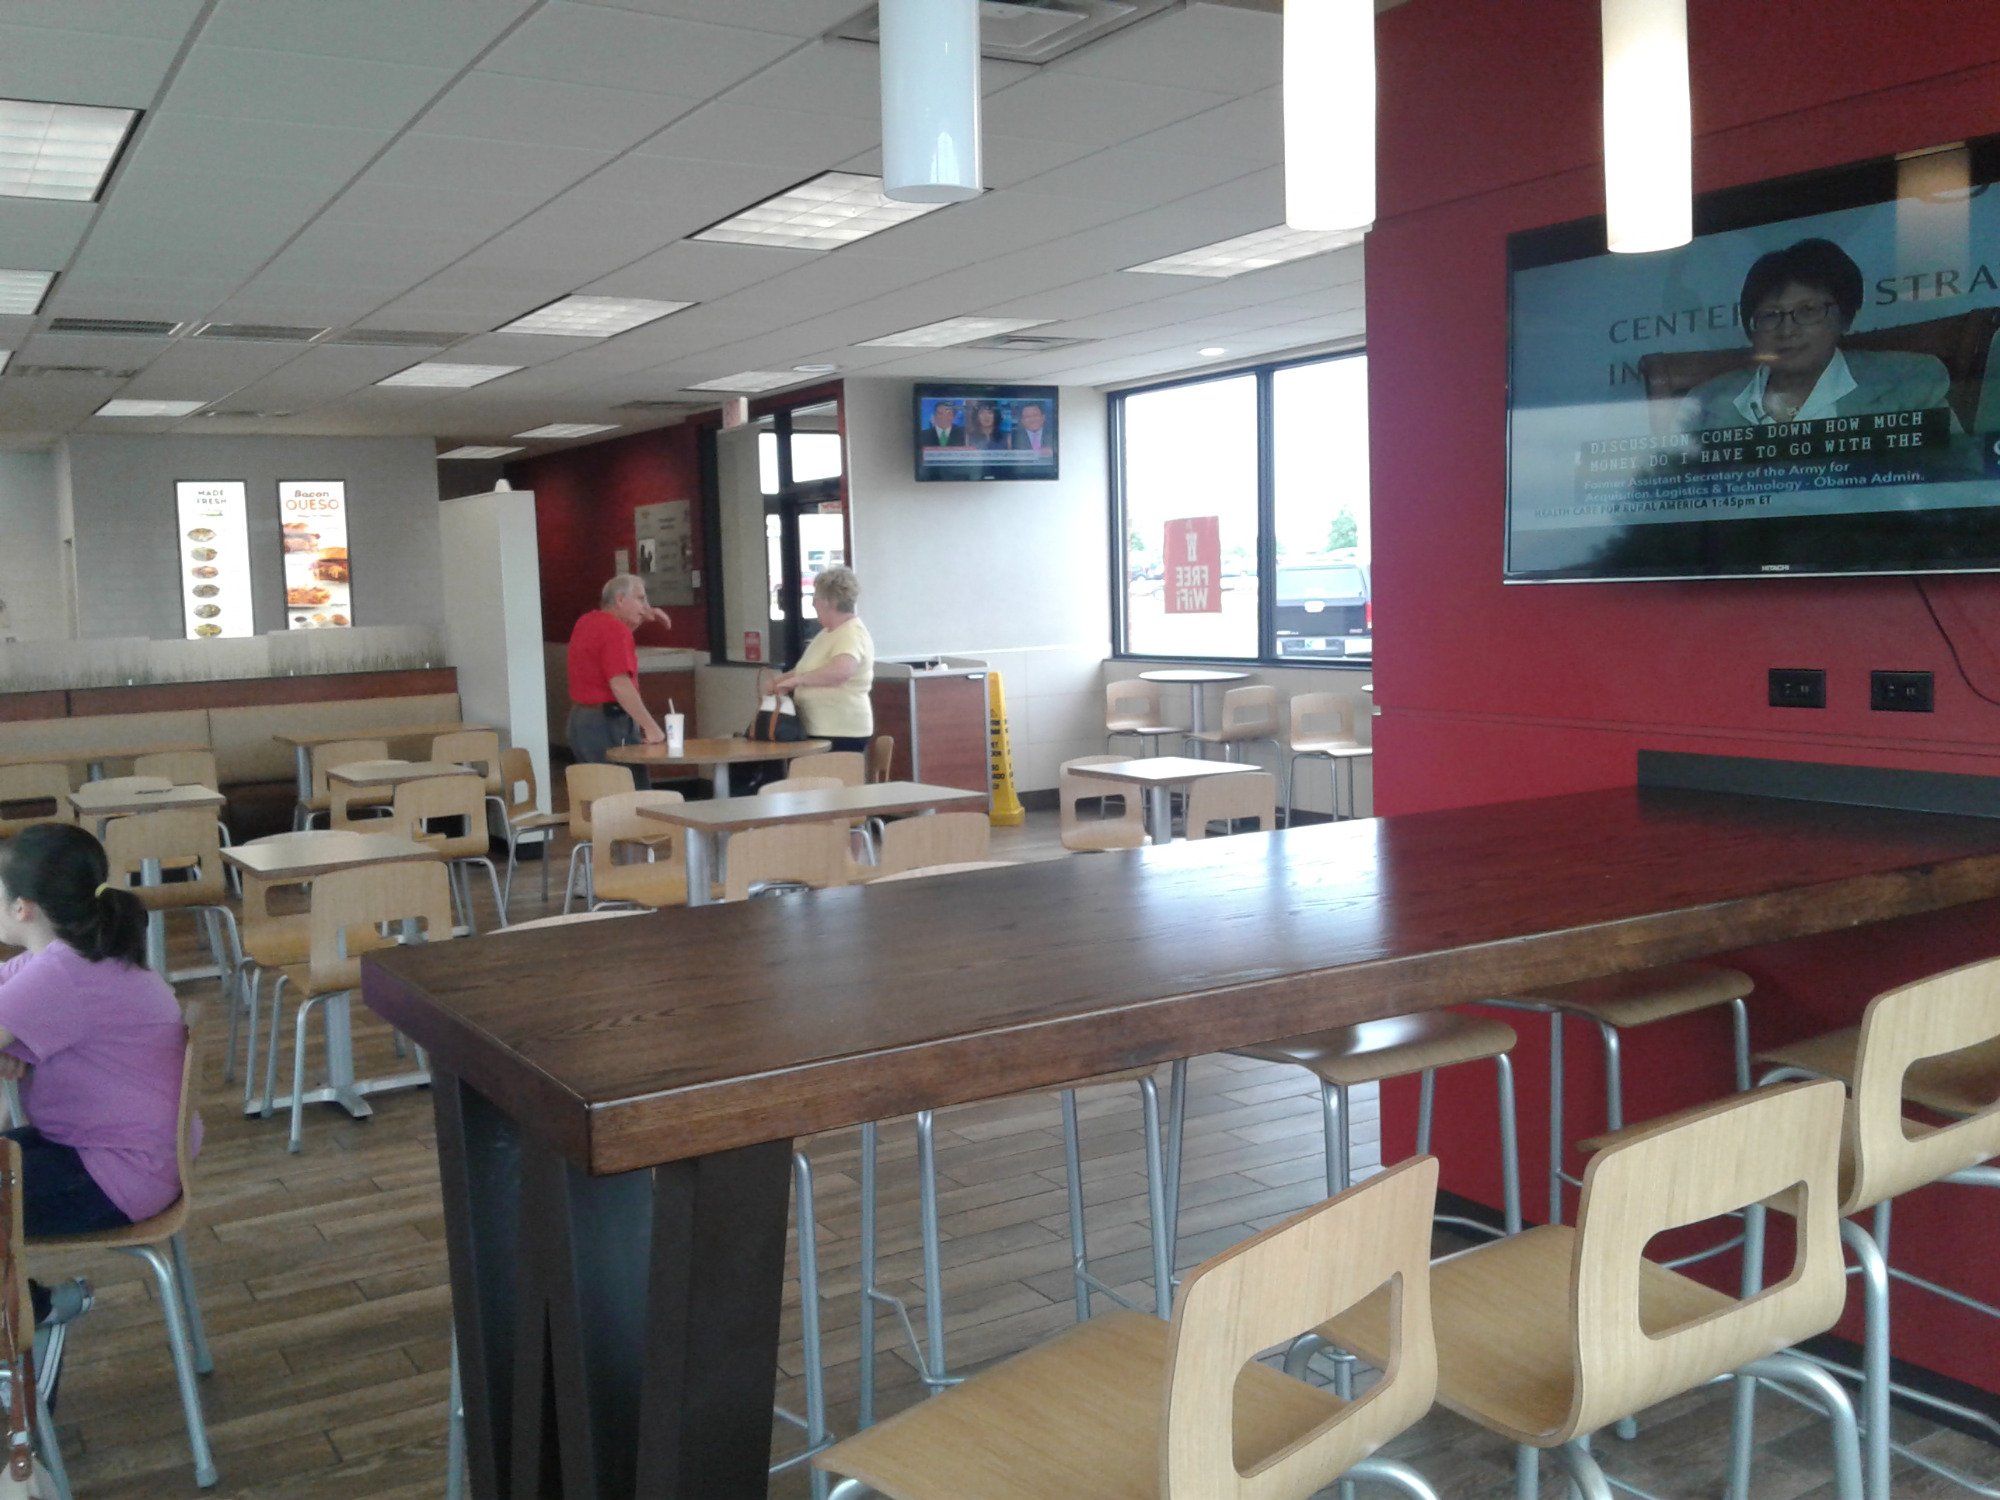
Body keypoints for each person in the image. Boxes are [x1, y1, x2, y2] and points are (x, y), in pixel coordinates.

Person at [0, 823, 198, 1386]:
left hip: (113, 1172)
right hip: (127, 1157)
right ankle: (38, 1310)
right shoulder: (74, 955)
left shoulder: (61, 974)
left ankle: (32, 1321)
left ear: (22, 907)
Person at [1678, 238, 1956, 433]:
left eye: (1808, 311)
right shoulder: (1705, 403)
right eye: (1770, 315)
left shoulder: (1907, 385)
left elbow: (1958, 479)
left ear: (1845, 317)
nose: (1787, 330)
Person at [766, 566, 875, 753]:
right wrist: (780, 681)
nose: (813, 604)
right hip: (818, 728)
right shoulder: (827, 633)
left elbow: (841, 671)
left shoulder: (851, 633)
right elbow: (808, 670)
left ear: (828, 602)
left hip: (840, 731)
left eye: (815, 598)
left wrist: (797, 681)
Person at [566, 575, 671, 764]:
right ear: (620, 600)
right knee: (629, 781)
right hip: (609, 721)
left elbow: (610, 648)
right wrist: (651, 727)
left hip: (580, 720)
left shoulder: (586, 621)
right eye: (641, 599)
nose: (645, 606)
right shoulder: (616, 631)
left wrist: (642, 616)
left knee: (594, 781)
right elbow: (620, 684)